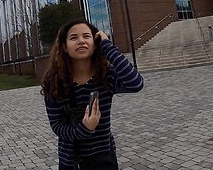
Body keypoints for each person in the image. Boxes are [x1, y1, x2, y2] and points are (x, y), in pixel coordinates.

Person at [40, 18, 144, 170]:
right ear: (64, 47)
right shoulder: (54, 83)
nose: (81, 41)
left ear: (95, 44)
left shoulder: (106, 76)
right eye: (73, 37)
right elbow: (57, 126)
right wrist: (85, 128)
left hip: (102, 156)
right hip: (71, 159)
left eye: (87, 36)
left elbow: (136, 83)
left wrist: (107, 46)